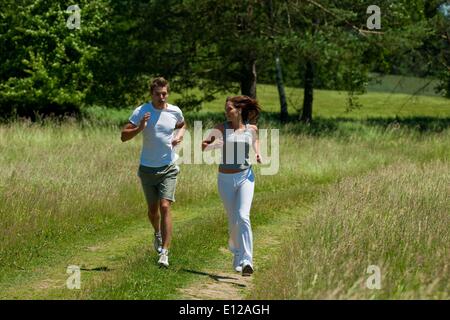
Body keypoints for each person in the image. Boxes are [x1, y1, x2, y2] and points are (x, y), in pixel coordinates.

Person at [121, 77, 186, 268]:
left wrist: (178, 136)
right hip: (147, 168)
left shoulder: (175, 111)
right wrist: (140, 128)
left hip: (168, 166)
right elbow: (123, 136)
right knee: (152, 211)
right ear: (152, 94)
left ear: (168, 93)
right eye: (158, 94)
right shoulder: (142, 111)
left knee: (165, 205)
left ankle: (164, 253)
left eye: (164, 93)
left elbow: (182, 124)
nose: (161, 97)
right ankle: (157, 233)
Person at [201, 95, 262, 276]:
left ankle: (247, 261)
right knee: (233, 219)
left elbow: (255, 141)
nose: (226, 112)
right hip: (225, 179)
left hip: (245, 177)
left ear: (239, 110)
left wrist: (257, 153)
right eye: (225, 109)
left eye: (229, 109)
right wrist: (215, 145)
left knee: (243, 216)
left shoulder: (251, 129)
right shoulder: (221, 128)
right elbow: (203, 146)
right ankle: (236, 254)